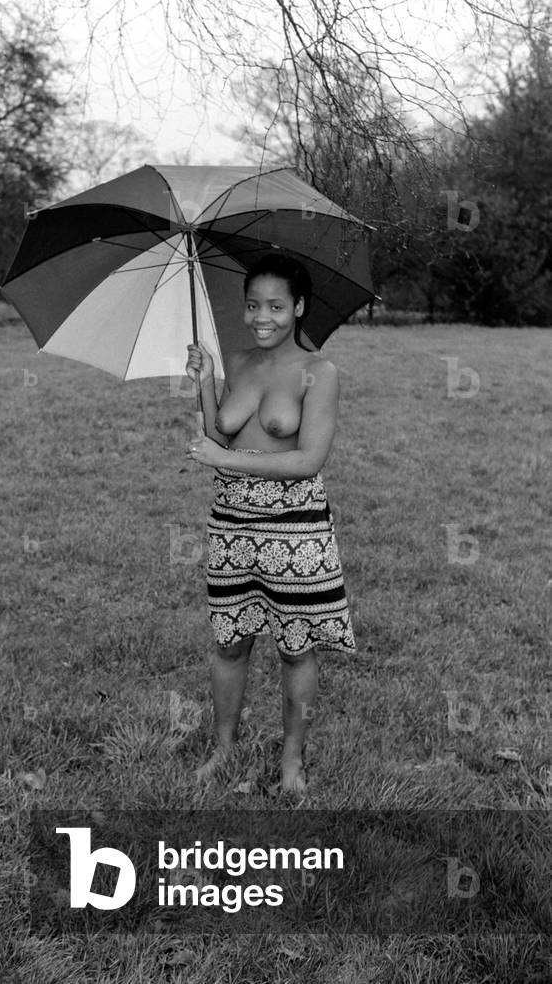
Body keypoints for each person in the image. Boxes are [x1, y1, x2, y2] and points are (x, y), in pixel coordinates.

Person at [184, 253, 356, 795]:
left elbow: (308, 460)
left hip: (296, 531)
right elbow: (222, 433)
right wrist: (206, 381)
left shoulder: (319, 372)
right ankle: (223, 750)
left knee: (294, 646)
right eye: (253, 304)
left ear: (299, 308)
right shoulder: (237, 361)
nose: (262, 316)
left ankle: (291, 764)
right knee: (230, 642)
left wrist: (226, 461)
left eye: (276, 306)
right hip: (232, 525)